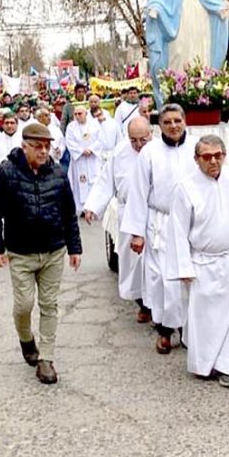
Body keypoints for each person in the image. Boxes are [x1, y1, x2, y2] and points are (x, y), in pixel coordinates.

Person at [0, 123, 82, 385]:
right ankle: (27, 339)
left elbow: (69, 213)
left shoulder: (59, 174)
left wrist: (74, 248)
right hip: (21, 252)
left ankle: (46, 359)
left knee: (49, 305)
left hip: (53, 250)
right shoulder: (7, 173)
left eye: (47, 146)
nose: (43, 151)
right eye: (37, 146)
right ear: (24, 146)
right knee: (24, 304)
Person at [166, 136, 229, 388]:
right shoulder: (186, 188)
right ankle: (204, 363)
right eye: (207, 157)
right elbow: (177, 230)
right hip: (203, 263)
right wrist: (183, 267)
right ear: (196, 160)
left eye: (218, 155)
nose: (213, 161)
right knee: (205, 320)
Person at [121, 103, 198, 354]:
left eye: (177, 120)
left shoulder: (198, 147)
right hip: (160, 223)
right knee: (162, 279)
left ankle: (188, 329)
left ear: (185, 121)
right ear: (159, 126)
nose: (173, 126)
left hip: (190, 222)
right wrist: (137, 232)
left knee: (188, 277)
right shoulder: (150, 152)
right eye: (167, 122)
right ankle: (164, 331)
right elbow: (139, 192)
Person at [83, 117, 153, 323]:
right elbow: (106, 181)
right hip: (128, 214)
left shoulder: (158, 151)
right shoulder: (120, 152)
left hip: (154, 216)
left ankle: (157, 308)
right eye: (134, 140)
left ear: (151, 134)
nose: (139, 145)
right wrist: (93, 206)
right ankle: (142, 303)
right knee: (133, 264)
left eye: (143, 140)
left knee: (155, 265)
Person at [65, 105, 104, 215]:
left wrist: (91, 149)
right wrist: (81, 150)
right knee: (80, 182)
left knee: (94, 181)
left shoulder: (95, 124)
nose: (77, 116)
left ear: (86, 114)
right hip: (79, 160)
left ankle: (94, 208)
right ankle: (82, 208)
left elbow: (100, 140)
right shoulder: (71, 127)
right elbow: (69, 142)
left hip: (92, 160)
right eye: (75, 114)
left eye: (80, 114)